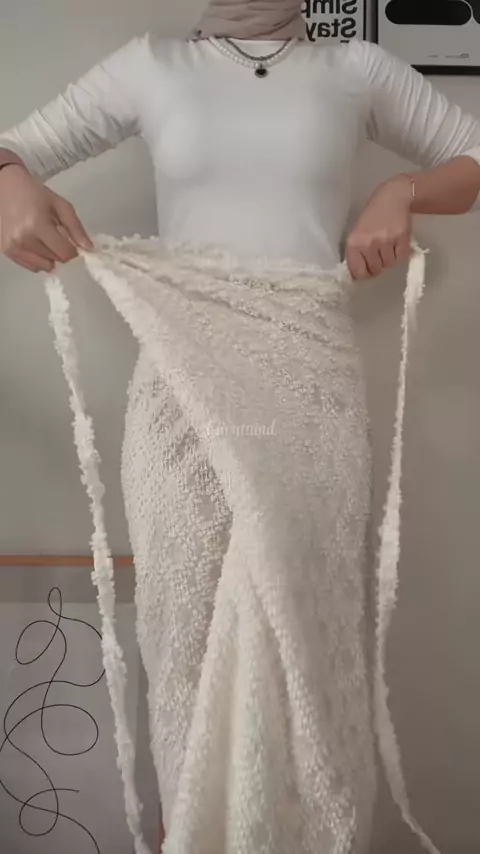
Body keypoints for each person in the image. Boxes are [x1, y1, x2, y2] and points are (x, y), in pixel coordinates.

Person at [1, 2, 480, 852]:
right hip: (179, 390)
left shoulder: (355, 69)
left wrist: (401, 190)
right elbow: (9, 150)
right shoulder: (150, 65)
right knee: (183, 645)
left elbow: (474, 156)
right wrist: (12, 184)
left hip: (310, 392)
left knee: (305, 636)